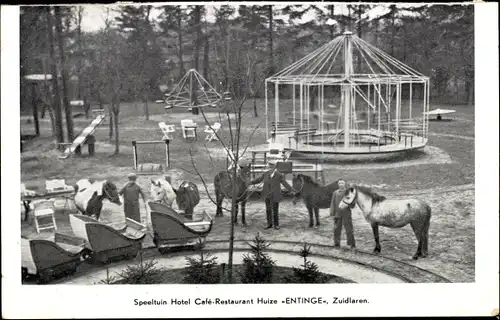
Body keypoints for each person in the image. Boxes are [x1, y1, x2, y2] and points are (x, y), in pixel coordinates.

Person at [249, 159, 295, 230]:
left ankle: (276, 225)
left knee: (275, 210)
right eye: (269, 166)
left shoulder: (279, 175)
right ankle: (269, 224)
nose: (270, 167)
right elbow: (258, 180)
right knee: (268, 210)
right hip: (267, 195)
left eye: (272, 166)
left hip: (275, 195)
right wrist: (249, 183)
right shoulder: (265, 174)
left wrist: (291, 189)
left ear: (275, 167)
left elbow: (284, 183)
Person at [330, 179, 356, 250]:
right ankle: (336, 244)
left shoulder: (348, 192)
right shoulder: (335, 192)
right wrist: (332, 213)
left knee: (349, 229)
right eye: (339, 183)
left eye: (342, 183)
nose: (341, 184)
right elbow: (332, 203)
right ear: (338, 184)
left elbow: (352, 203)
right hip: (337, 214)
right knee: (336, 229)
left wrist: (350, 205)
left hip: (346, 214)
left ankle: (352, 244)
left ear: (345, 184)